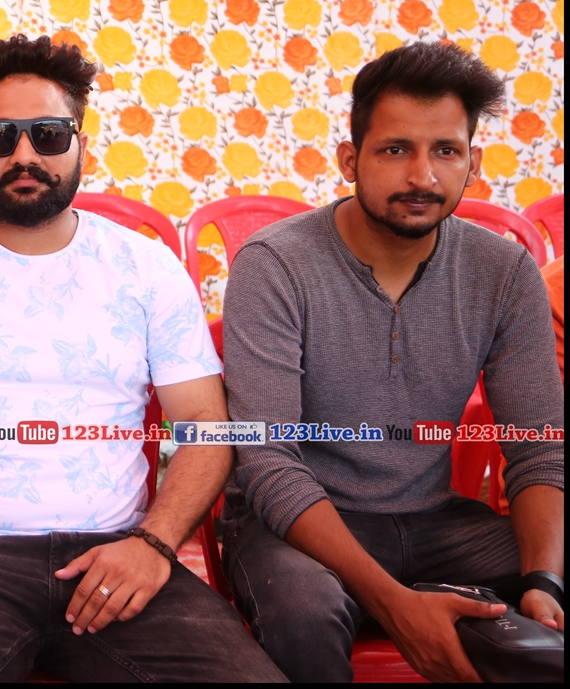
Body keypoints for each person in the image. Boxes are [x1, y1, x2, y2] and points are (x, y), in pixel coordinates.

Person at [0, 35, 286, 682]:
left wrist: (154, 544)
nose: (23, 155)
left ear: (80, 146)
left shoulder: (144, 267)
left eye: (47, 134)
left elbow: (206, 425)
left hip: (118, 553)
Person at [221, 41, 564, 683]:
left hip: (437, 520)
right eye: (395, 150)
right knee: (305, 612)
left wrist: (545, 582)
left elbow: (538, 445)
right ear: (350, 159)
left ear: (473, 162)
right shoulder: (276, 264)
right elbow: (268, 461)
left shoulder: (503, 271)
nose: (422, 177)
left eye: (446, 151)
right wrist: (394, 603)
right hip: (300, 523)